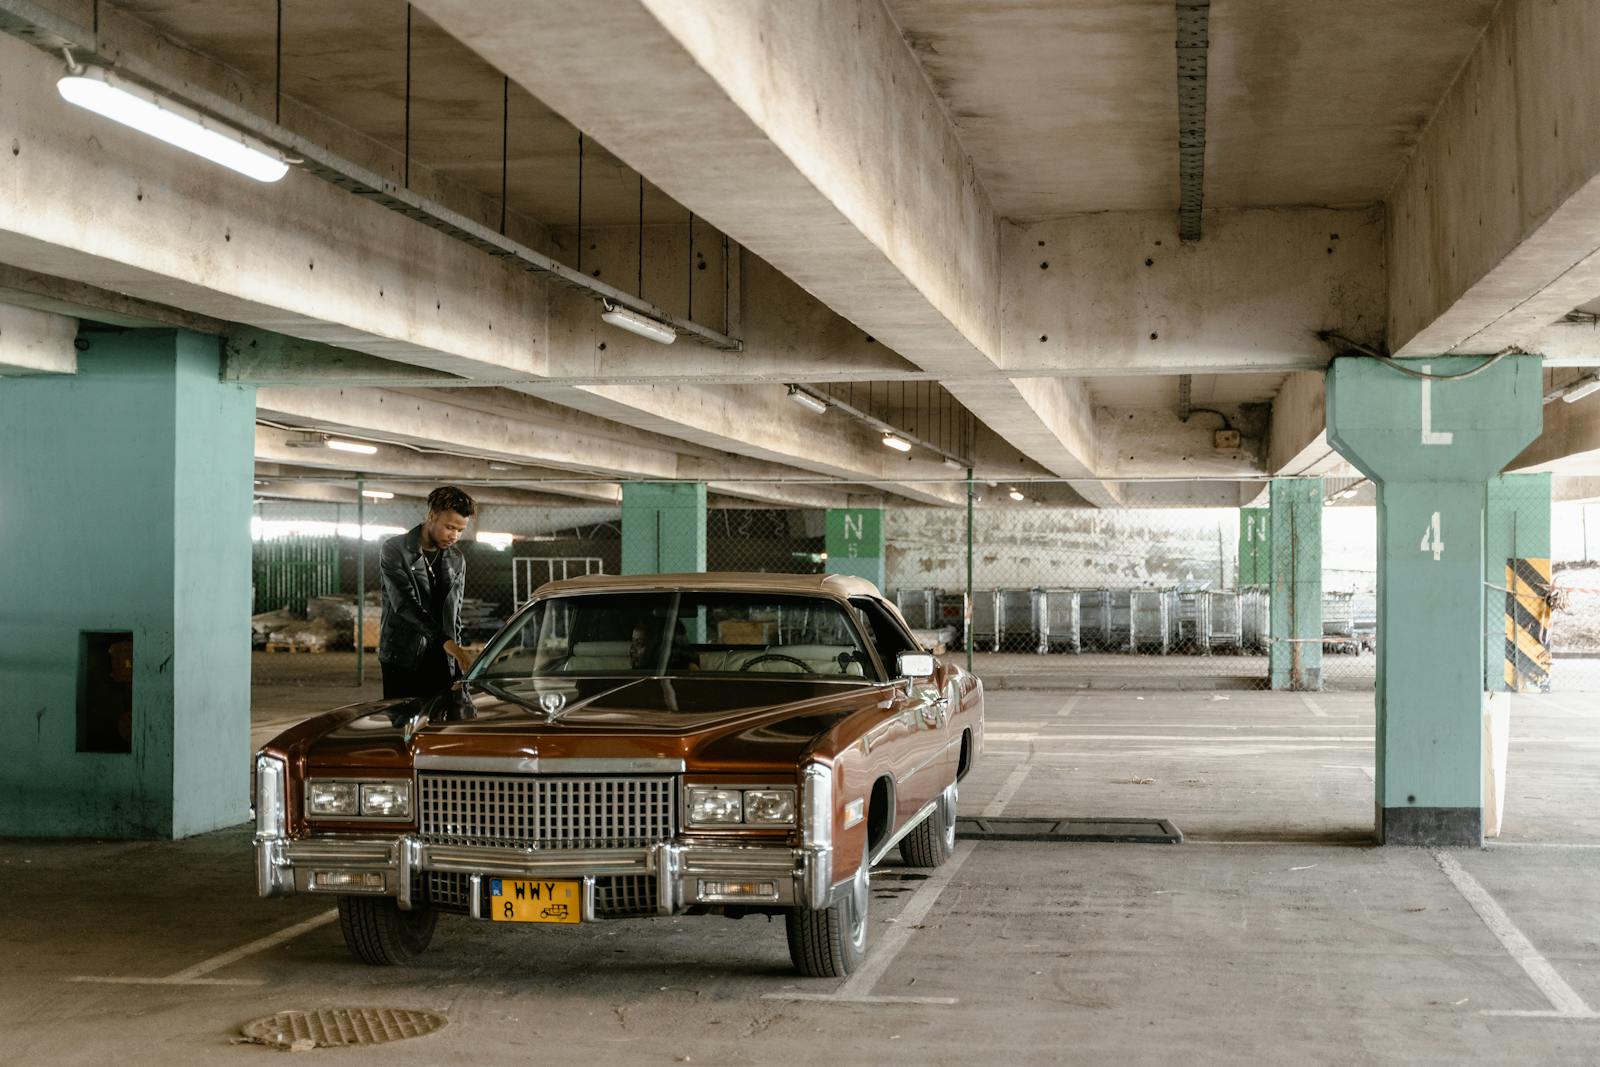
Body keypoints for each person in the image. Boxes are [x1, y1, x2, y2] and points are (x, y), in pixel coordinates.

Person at [378, 486, 477, 699]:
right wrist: (449, 645)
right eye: (449, 527)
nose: (455, 536)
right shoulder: (395, 549)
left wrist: (456, 658)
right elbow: (405, 605)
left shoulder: (456, 559)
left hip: (443, 658)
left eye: (460, 530)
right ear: (431, 516)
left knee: (442, 726)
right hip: (403, 657)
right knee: (403, 725)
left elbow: (454, 614)